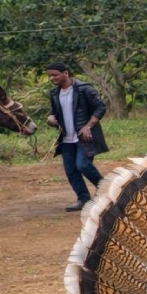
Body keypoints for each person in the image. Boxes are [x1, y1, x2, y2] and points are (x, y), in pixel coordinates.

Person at [46, 62, 108, 211]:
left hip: (84, 137)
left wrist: (88, 126)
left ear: (66, 73)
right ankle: (83, 199)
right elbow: (55, 113)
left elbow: (101, 107)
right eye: (49, 76)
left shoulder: (84, 89)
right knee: (71, 170)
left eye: (55, 75)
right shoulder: (54, 93)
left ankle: (107, 191)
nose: (52, 78)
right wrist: (50, 119)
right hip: (66, 138)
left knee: (83, 165)